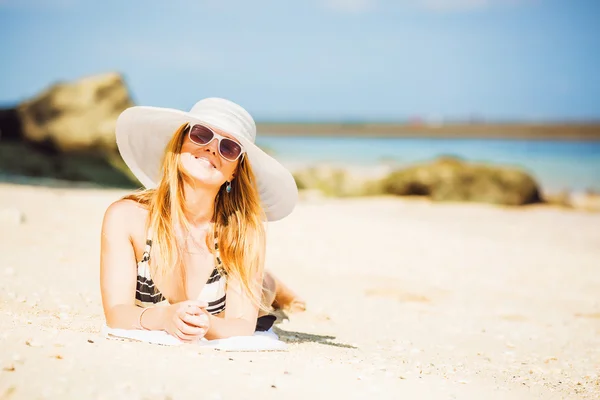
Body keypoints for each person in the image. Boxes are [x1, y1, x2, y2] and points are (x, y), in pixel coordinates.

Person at [100, 98, 304, 343]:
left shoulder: (243, 231)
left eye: (229, 147)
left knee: (264, 293)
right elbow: (116, 313)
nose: (211, 148)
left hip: (240, 289)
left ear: (235, 171)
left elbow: (242, 324)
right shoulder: (126, 217)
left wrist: (206, 324)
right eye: (201, 134)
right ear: (180, 142)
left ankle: (278, 287)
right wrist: (164, 317)